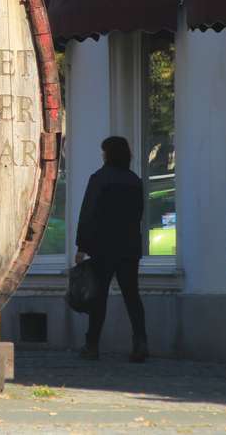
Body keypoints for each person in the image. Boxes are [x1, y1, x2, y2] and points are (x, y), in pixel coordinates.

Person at [74, 136, 148, 362]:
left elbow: (88, 214)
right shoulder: (134, 181)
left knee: (99, 298)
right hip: (129, 247)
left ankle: (92, 345)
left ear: (108, 154)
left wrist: (82, 246)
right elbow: (139, 215)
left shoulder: (99, 179)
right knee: (132, 296)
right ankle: (140, 343)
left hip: (103, 247)